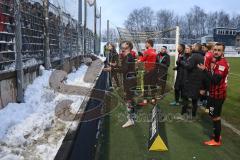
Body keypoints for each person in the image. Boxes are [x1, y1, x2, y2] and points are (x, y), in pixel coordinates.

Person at [198, 42, 229, 146]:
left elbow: (215, 80)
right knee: (210, 112)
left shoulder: (222, 64)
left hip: (218, 95)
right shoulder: (217, 61)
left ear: (223, 51)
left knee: (216, 116)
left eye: (219, 50)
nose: (216, 52)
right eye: (215, 50)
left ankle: (216, 140)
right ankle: (217, 133)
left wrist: (205, 70)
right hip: (213, 93)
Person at [180, 43, 204, 118]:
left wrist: (182, 62)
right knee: (195, 99)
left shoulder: (194, 56)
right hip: (198, 80)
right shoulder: (202, 56)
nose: (192, 47)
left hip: (191, 80)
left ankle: (183, 113)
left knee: (185, 97)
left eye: (193, 46)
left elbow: (188, 66)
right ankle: (193, 114)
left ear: (196, 47)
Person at [137, 39, 157, 105]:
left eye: (146, 43)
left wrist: (139, 56)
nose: (145, 44)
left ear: (149, 44)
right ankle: (153, 99)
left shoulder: (147, 51)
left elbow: (141, 60)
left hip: (148, 70)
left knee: (145, 86)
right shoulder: (154, 51)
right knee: (153, 85)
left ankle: (145, 101)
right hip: (154, 70)